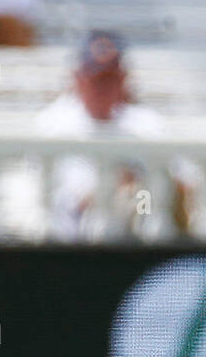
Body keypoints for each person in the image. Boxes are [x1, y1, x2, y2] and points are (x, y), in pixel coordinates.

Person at [34, 31, 196, 241]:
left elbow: (184, 182)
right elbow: (62, 198)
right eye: (96, 77)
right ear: (78, 78)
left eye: (110, 77)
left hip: (144, 234)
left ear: (122, 78)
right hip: (73, 240)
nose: (103, 87)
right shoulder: (52, 122)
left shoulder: (147, 123)